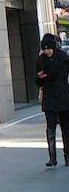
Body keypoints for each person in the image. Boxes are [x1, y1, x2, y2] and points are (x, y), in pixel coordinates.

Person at [35, 33, 69, 168]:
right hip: (49, 98)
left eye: (49, 48)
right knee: (50, 129)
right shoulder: (39, 61)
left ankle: (67, 156)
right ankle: (52, 157)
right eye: (45, 49)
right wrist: (39, 77)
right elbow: (37, 82)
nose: (47, 51)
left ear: (54, 48)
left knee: (66, 129)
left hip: (63, 96)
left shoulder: (64, 58)